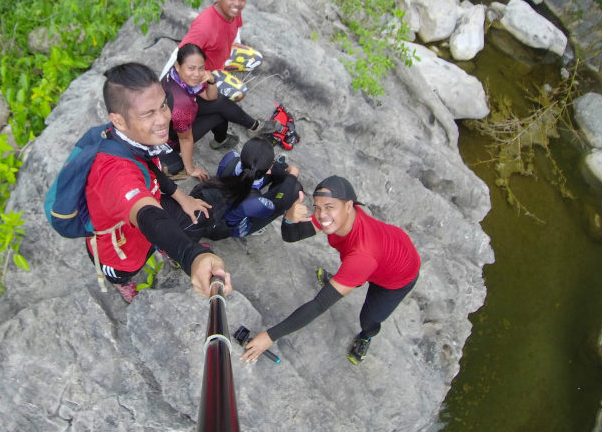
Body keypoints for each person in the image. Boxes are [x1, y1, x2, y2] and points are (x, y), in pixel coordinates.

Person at [85, 62, 232, 303]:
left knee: (196, 217)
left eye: (163, 105)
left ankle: (163, 247)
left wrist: (181, 197)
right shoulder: (114, 173)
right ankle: (124, 284)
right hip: (119, 250)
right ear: (118, 120)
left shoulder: (131, 140)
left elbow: (150, 168)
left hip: (145, 222)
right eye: (148, 113)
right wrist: (190, 256)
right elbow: (148, 216)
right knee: (127, 270)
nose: (164, 118)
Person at [240, 176, 420, 365]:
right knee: (355, 273)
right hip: (381, 254)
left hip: (397, 278)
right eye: (317, 207)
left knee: (369, 318)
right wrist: (289, 220)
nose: (321, 214)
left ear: (349, 206)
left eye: (328, 207)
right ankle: (350, 281)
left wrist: (270, 336)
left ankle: (366, 335)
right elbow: (291, 236)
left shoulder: (362, 255)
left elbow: (319, 304)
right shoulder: (335, 216)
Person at [160, 44, 281, 177]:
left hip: (179, 113)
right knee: (220, 115)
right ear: (178, 65)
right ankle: (220, 141)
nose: (197, 74)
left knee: (221, 103)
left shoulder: (178, 75)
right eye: (192, 68)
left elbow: (211, 97)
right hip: (171, 138)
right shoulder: (182, 105)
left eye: (201, 68)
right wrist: (191, 169)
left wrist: (211, 81)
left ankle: (254, 126)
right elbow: (185, 139)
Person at [195, 137, 302, 238]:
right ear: (269, 169)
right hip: (226, 226)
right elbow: (281, 203)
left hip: (222, 199)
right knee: (294, 188)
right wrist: (292, 176)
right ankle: (255, 227)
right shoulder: (257, 203)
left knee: (280, 173)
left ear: (240, 158)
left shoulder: (230, 158)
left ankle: (279, 169)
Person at [180, 0, 252, 74]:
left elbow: (236, 33)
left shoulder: (234, 13)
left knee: (255, 58)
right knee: (238, 89)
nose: (237, 4)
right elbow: (182, 58)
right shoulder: (205, 26)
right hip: (203, 77)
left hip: (220, 66)